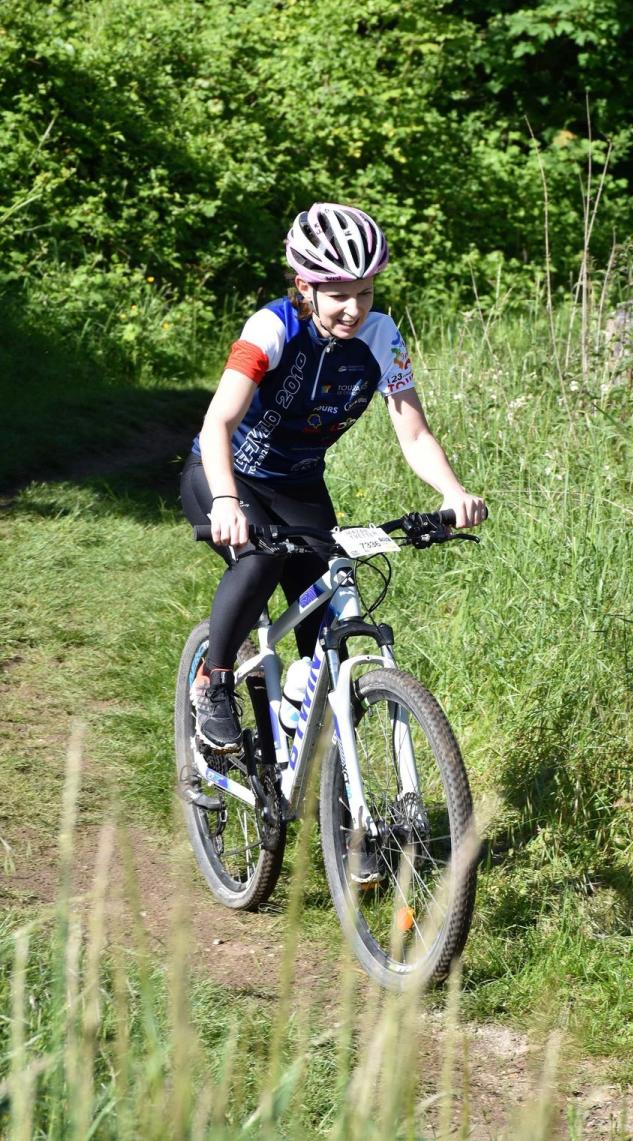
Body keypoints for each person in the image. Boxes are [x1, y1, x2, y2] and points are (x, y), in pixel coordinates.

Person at [180, 202, 486, 754]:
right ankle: (214, 683)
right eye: (340, 294)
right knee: (260, 560)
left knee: (327, 619)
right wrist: (224, 500)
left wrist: (452, 491)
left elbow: (414, 433)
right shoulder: (273, 327)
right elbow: (218, 422)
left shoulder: (382, 337)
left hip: (298, 485)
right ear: (306, 286)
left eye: (365, 292)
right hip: (226, 472)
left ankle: (309, 758)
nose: (354, 308)